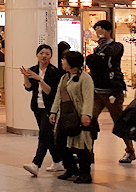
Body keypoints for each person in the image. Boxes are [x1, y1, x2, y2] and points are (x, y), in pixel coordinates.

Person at [90, 20, 136, 163]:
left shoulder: (116, 46)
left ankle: (130, 150)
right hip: (97, 90)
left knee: (118, 121)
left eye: (100, 29)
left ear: (108, 30)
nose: (98, 32)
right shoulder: (97, 49)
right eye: (97, 30)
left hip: (113, 90)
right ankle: (88, 152)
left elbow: (110, 53)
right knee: (90, 120)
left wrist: (102, 42)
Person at [50, 51, 96, 184]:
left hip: (78, 116)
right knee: (60, 142)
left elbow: (88, 98)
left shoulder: (85, 78)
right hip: (64, 116)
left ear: (71, 63)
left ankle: (85, 173)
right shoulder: (64, 77)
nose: (62, 62)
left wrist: (86, 115)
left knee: (81, 145)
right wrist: (53, 112)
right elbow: (58, 96)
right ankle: (70, 168)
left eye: (64, 60)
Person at [21, 44, 65, 176]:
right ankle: (58, 161)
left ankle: (36, 163)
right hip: (37, 107)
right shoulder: (33, 69)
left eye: (47, 53)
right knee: (48, 135)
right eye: (41, 53)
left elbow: (50, 91)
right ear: (37, 55)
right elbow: (28, 88)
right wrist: (26, 76)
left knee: (44, 134)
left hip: (50, 108)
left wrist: (39, 79)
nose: (44, 56)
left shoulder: (54, 72)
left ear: (51, 56)